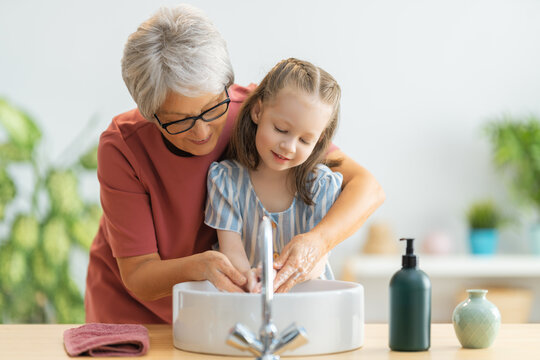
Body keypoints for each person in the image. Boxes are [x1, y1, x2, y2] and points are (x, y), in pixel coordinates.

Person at [85, 4, 385, 324]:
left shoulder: (260, 115)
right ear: (150, 113)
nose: (201, 132)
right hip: (134, 315)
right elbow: (139, 274)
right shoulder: (123, 147)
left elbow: (367, 188)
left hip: (220, 308)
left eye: (213, 108)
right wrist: (199, 266)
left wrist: (318, 241)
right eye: (179, 122)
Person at [205, 58, 343, 292]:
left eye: (304, 140)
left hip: (309, 306)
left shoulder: (322, 185)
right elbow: (232, 251)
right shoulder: (225, 180)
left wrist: (276, 276)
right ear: (258, 111)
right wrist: (249, 277)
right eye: (281, 129)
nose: (289, 147)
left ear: (319, 140)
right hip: (246, 302)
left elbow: (317, 261)